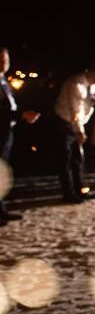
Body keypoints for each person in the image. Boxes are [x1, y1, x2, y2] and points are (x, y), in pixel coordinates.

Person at [54, 63, 95, 203]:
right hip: (65, 123)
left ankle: (80, 189)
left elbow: (87, 106)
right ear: (89, 72)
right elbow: (75, 111)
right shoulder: (75, 84)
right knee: (65, 160)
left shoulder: (93, 86)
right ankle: (68, 193)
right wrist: (80, 132)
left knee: (78, 159)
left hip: (79, 123)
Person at [0, 47, 40, 224]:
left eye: (6, 60)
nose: (4, 64)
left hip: (7, 131)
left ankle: (1, 210)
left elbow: (9, 105)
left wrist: (22, 114)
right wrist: (21, 115)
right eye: (1, 60)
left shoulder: (3, 80)